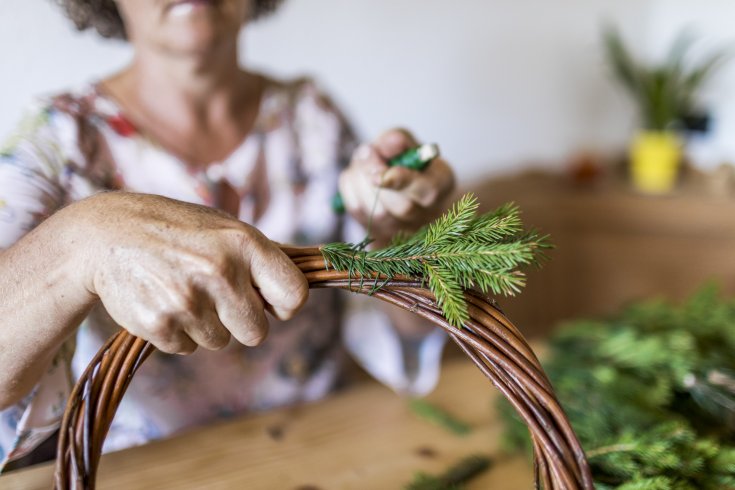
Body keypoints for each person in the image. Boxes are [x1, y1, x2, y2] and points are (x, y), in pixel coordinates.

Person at [0, 0, 455, 471]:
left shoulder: (311, 117)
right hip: (146, 473)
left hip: (323, 453)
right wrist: (83, 238)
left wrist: (397, 232)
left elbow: (408, 330)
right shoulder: (58, 140)